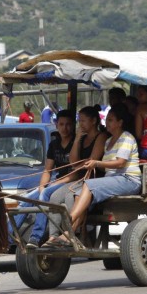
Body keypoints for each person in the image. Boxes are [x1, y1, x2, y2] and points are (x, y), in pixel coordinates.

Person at [46, 104, 141, 246]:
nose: (106, 123)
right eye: (106, 119)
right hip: (113, 180)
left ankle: (70, 224)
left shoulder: (126, 137)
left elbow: (120, 163)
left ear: (120, 122)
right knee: (77, 193)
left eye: (110, 120)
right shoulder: (109, 141)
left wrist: (96, 163)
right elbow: (76, 162)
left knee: (88, 185)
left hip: (128, 180)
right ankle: (71, 233)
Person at [9, 110, 76, 248]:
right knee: (27, 199)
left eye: (68, 124)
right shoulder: (54, 145)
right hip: (56, 181)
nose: (65, 128)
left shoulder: (76, 143)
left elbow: (77, 172)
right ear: (57, 125)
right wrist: (41, 186)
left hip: (70, 182)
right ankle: (8, 237)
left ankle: (35, 237)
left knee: (45, 194)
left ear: (73, 125)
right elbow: (47, 170)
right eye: (62, 124)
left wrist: (49, 187)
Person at [44, 105, 108, 246]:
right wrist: (78, 139)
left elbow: (92, 161)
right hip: (79, 178)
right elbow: (73, 161)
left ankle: (71, 233)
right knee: (54, 197)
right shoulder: (81, 138)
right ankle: (53, 236)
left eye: (83, 121)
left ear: (93, 121)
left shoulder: (101, 137)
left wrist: (78, 166)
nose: (80, 124)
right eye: (79, 121)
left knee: (70, 196)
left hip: (92, 179)